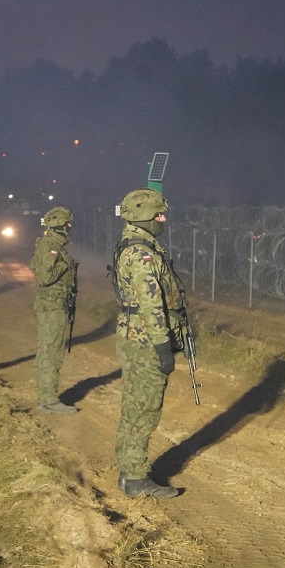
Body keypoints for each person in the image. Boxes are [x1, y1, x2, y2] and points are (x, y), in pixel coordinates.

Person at [110, 188, 187, 498]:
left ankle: (129, 472)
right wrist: (162, 347)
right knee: (145, 409)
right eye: (158, 214)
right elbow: (152, 305)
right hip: (145, 340)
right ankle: (136, 477)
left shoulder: (133, 246)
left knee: (134, 406)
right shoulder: (141, 253)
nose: (163, 218)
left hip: (133, 335)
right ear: (144, 218)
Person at [30, 207, 78, 414]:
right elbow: (45, 277)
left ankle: (45, 396)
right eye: (68, 224)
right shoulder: (50, 247)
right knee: (51, 351)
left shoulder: (48, 245)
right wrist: (65, 267)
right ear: (61, 226)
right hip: (52, 305)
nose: (70, 228)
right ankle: (48, 399)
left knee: (47, 350)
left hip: (54, 305)